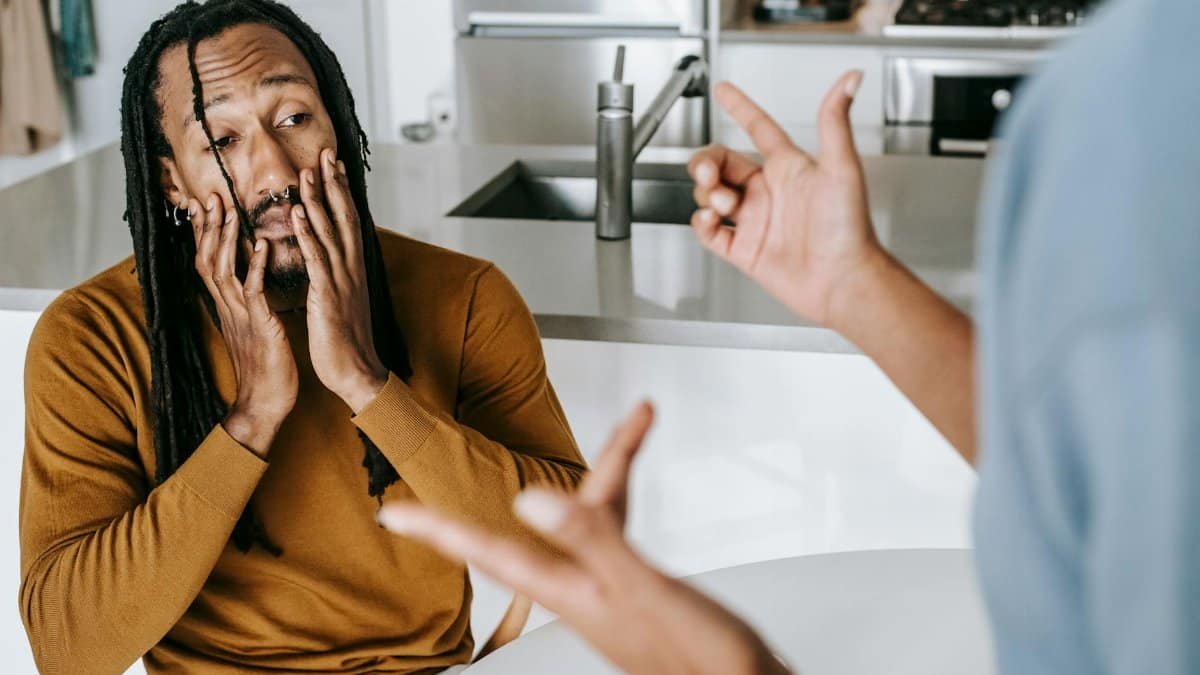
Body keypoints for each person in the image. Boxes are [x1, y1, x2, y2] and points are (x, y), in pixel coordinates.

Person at [379, 0, 1200, 673]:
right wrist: (854, 283)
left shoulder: (1136, 107)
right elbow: (1084, 467)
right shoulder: (1130, 84)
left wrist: (725, 666)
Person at [18, 1, 587, 673]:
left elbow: (577, 554)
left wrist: (368, 384)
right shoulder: (92, 336)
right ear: (172, 180)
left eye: (293, 118)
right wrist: (251, 417)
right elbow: (67, 648)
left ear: (338, 128)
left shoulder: (464, 296)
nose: (277, 173)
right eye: (221, 139)